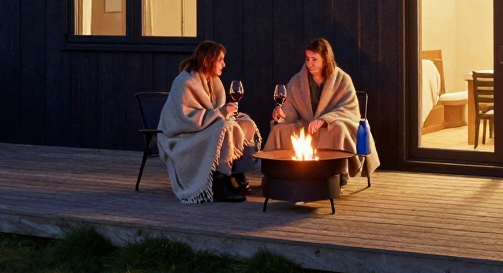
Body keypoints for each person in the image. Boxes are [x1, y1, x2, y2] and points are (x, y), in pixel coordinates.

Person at [157, 40, 261, 203]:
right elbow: (187, 119)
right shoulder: (184, 82)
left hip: (204, 127)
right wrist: (220, 113)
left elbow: (214, 112)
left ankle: (237, 173)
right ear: (208, 61)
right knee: (224, 127)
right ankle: (221, 183)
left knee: (245, 122)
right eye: (220, 60)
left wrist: (227, 114)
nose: (224, 64)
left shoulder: (214, 82)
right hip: (182, 135)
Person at [268, 38, 380, 182]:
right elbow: (290, 109)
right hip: (306, 126)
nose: (309, 64)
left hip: (332, 125)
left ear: (325, 59)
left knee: (338, 128)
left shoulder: (343, 79)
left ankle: (337, 172)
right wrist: (283, 114)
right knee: (280, 129)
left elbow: (349, 109)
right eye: (307, 59)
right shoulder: (297, 81)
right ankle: (280, 172)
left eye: (314, 59)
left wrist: (324, 120)